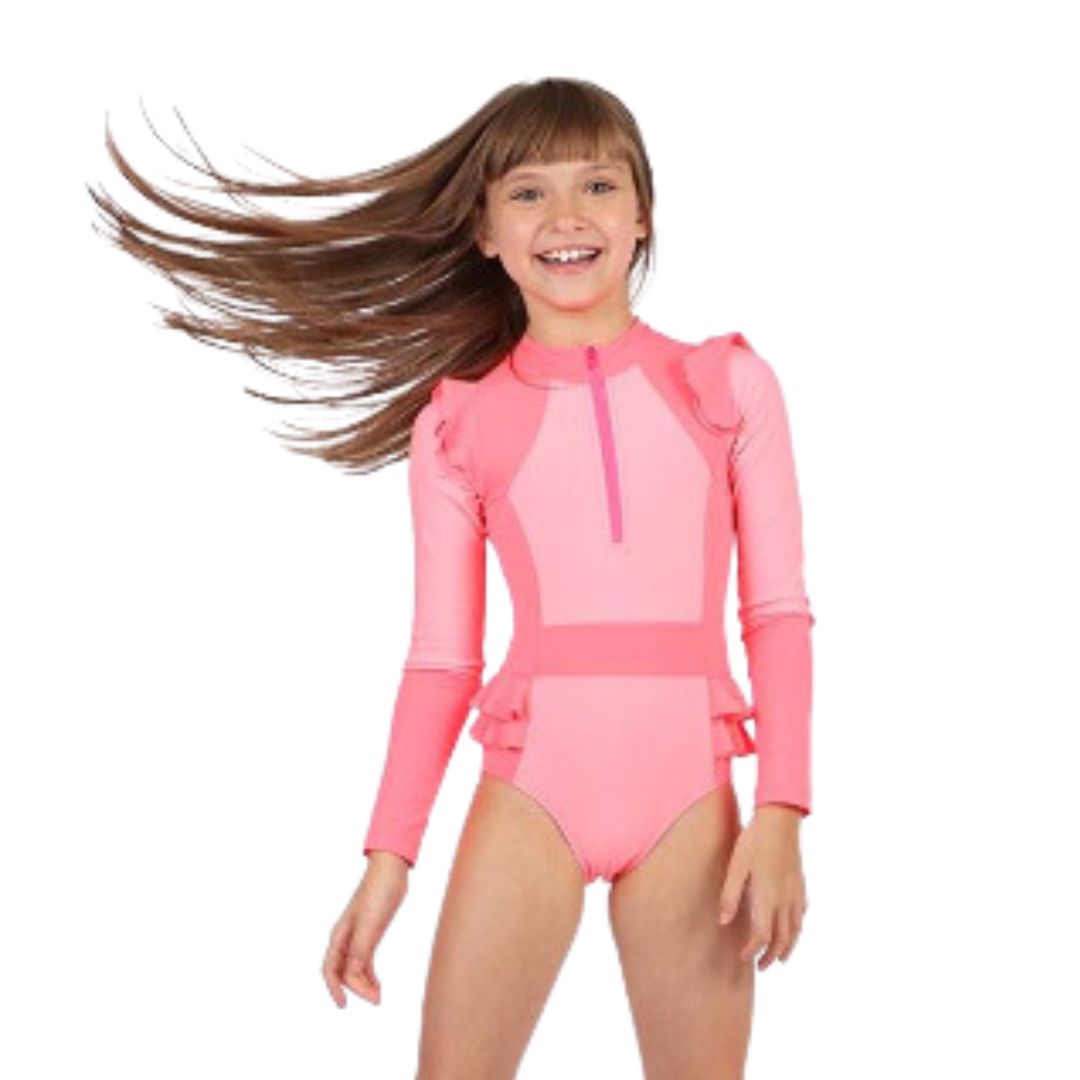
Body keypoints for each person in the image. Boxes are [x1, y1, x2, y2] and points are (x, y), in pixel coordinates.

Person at [90, 76, 815, 1078]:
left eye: (598, 186)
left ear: (643, 213)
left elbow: (777, 614)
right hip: (533, 791)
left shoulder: (728, 384)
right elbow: (440, 661)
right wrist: (387, 862)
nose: (566, 217)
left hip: (692, 795)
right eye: (527, 193)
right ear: (484, 229)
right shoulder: (458, 425)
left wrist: (781, 811)